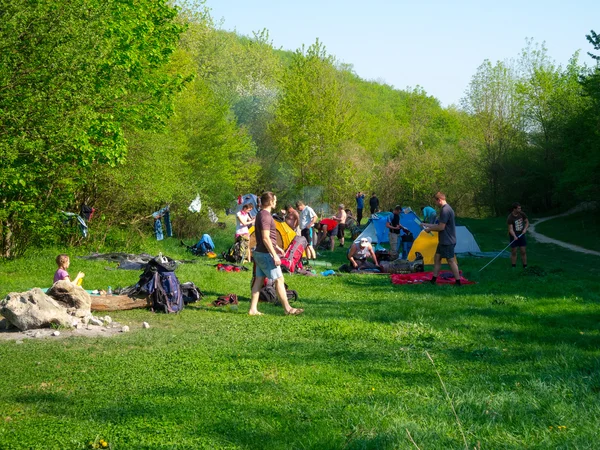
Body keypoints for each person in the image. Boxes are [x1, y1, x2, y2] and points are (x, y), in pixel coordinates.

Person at [249, 192, 304, 316]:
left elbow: (268, 237)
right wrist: (274, 255)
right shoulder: (265, 216)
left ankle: (253, 309)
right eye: (275, 200)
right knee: (279, 279)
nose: (276, 202)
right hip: (265, 254)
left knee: (259, 280)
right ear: (270, 202)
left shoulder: (261, 214)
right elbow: (265, 238)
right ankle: (288, 309)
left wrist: (277, 247)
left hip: (259, 252)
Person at [422, 192, 461, 286]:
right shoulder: (446, 209)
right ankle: (433, 280)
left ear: (439, 200)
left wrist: (429, 229)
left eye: (435, 202)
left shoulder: (445, 210)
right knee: (437, 258)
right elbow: (440, 224)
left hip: (447, 240)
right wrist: (426, 224)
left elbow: (441, 227)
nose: (435, 204)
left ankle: (458, 281)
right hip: (443, 240)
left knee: (450, 261)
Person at [507, 202, 529, 268]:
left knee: (523, 251)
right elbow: (510, 229)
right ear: (514, 209)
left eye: (520, 208)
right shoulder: (510, 217)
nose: (520, 210)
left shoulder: (522, 214)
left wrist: (525, 229)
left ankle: (525, 266)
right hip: (513, 235)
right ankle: (513, 266)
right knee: (514, 251)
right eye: (518, 208)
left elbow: (527, 222)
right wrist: (514, 236)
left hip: (521, 234)